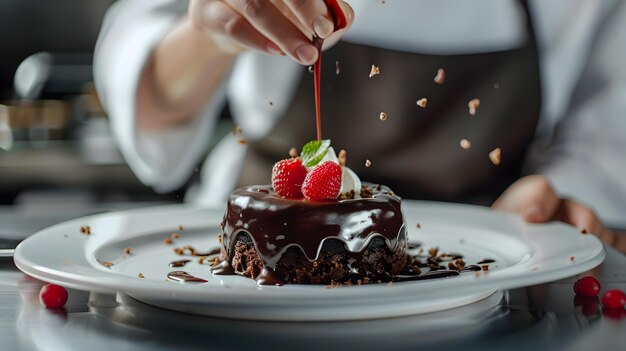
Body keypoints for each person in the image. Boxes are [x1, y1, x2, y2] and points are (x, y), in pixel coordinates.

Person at [94, 0, 626, 249]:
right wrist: (208, 34)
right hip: (246, 255)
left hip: (482, 263)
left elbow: (603, 137)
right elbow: (148, 105)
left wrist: (539, 212)